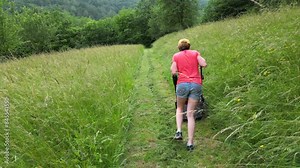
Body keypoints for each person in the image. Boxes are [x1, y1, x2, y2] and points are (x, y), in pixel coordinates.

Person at [170, 38, 207, 151]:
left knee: (180, 108)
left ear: (179, 47)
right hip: (196, 84)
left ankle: (179, 131)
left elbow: (173, 71)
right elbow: (204, 64)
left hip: (182, 84)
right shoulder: (195, 53)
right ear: (189, 46)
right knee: (191, 114)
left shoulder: (176, 56)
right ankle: (190, 143)